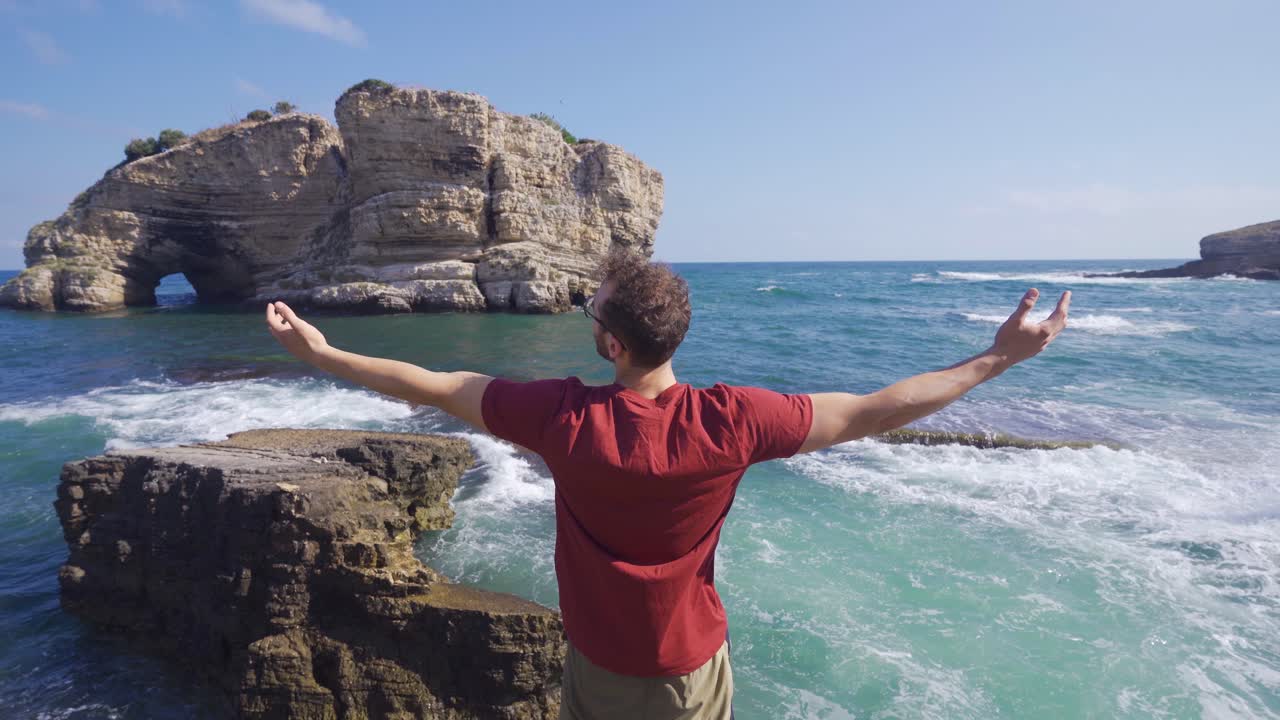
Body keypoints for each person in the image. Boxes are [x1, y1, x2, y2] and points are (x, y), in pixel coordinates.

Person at [264, 251, 1070, 720]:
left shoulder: (561, 419)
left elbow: (432, 384)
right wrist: (997, 359)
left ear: (610, 343)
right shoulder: (736, 421)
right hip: (690, 668)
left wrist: (323, 355)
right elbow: (871, 410)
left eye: (595, 309)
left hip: (597, 661)